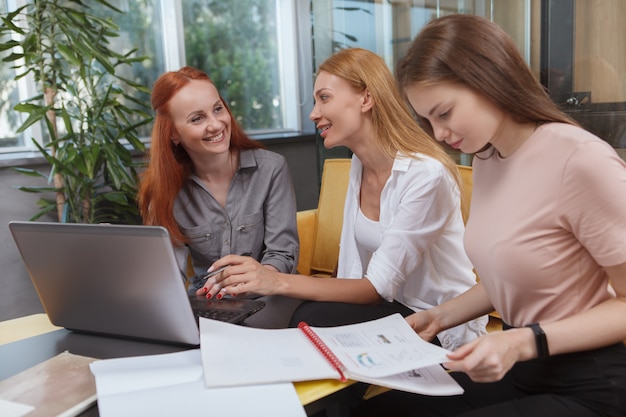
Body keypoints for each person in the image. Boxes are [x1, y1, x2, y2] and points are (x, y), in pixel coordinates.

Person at [352, 14, 626, 417]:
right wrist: (438, 317)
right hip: (519, 368)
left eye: (444, 113)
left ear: (489, 79)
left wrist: (520, 342)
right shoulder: (488, 157)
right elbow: (515, 273)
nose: (439, 134)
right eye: (428, 120)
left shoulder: (580, 160)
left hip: (588, 382)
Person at [202, 48, 487, 350]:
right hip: (393, 308)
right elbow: (354, 272)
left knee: (313, 317)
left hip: (435, 322)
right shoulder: (359, 164)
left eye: (324, 98)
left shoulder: (426, 175)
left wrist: (276, 280)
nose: (314, 113)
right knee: (304, 318)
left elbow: (377, 288)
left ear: (366, 98)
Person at [137, 66, 301, 328]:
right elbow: (170, 276)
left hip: (269, 300)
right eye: (196, 118)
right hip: (207, 305)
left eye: (217, 109)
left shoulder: (271, 169)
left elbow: (283, 255)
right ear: (173, 134)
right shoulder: (163, 191)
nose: (215, 124)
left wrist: (259, 277)